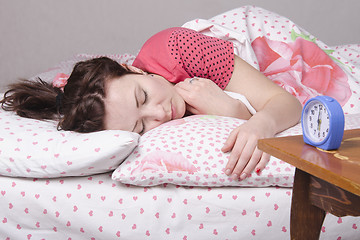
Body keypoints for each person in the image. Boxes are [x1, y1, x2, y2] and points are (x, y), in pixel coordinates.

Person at [0, 27, 302, 181]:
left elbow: (287, 103)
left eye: (142, 96)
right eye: (140, 125)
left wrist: (260, 124)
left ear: (134, 69)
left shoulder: (179, 48)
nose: (159, 113)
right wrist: (233, 113)